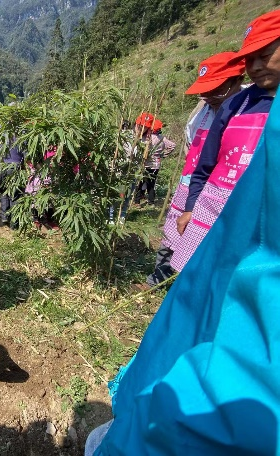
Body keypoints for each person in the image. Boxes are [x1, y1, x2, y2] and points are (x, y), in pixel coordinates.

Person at [86, 63, 280, 456]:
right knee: (191, 280)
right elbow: (206, 157)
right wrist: (194, 200)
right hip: (221, 205)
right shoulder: (236, 105)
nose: (207, 97)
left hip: (249, 228)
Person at [171, 9, 280, 273]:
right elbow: (204, 166)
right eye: (248, 60)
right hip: (213, 212)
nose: (255, 67)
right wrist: (191, 207)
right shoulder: (236, 105)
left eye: (264, 56)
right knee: (198, 283)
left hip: (264, 227)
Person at [145, 52, 245, 287]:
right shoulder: (200, 111)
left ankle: (190, 289)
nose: (208, 96)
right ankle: (158, 279)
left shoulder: (248, 109)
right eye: (205, 90)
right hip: (191, 184)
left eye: (215, 90)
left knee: (208, 245)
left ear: (237, 81)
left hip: (221, 192)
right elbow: (193, 147)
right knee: (172, 234)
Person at [133, 113, 175, 205]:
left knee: (142, 182)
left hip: (146, 163)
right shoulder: (161, 138)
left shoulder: (146, 138)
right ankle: (151, 202)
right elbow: (172, 145)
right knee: (151, 184)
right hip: (156, 164)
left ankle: (137, 201)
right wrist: (163, 155)